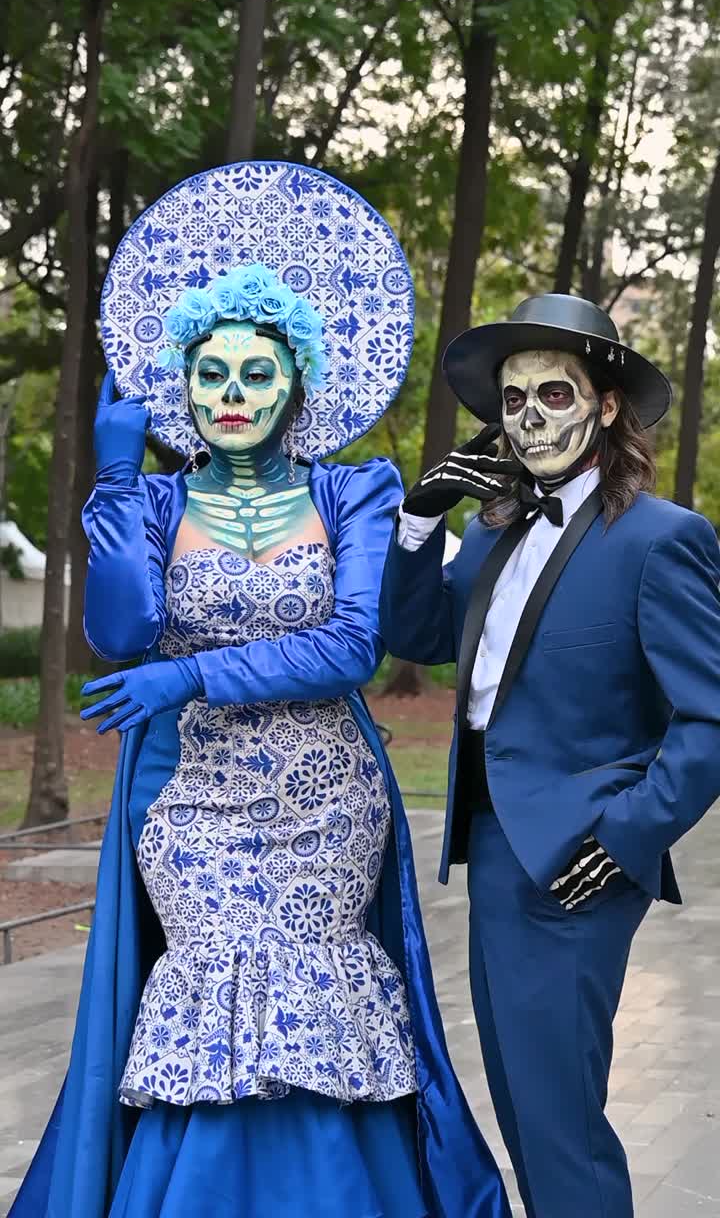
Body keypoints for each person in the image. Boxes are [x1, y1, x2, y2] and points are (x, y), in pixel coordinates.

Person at [10, 163, 510, 1218]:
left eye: (255, 371)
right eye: (212, 374)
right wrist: (110, 485)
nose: (232, 393)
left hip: (327, 797)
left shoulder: (354, 486)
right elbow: (120, 632)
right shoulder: (149, 498)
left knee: (314, 976)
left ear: (296, 383)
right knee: (204, 973)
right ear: (183, 390)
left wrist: (190, 670)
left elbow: (350, 648)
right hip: (190, 799)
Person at [379, 291, 720, 1218]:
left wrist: (625, 837)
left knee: (561, 1118)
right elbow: (413, 634)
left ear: (607, 405)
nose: (530, 418)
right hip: (496, 844)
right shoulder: (492, 532)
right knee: (525, 1107)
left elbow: (710, 720)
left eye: (555, 396)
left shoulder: (662, 540)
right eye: (514, 400)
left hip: (582, 853)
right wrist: (420, 523)